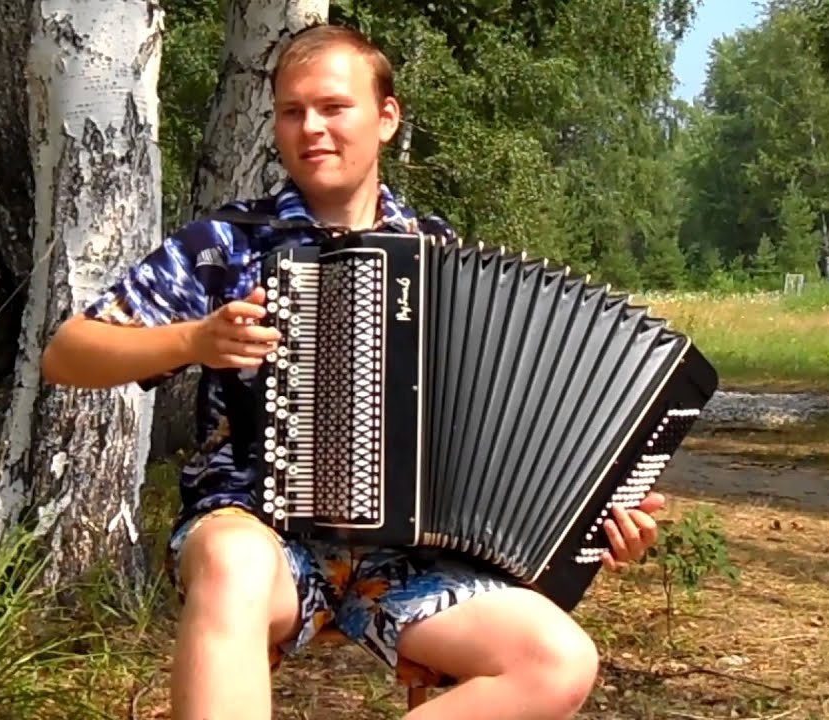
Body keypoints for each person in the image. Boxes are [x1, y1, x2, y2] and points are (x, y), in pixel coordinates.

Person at [40, 23, 666, 720]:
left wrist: (595, 515)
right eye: (291, 111)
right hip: (257, 531)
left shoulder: (438, 254)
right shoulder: (227, 242)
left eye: (334, 107)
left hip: (406, 561)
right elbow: (68, 353)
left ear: (386, 118)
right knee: (233, 567)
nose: (311, 127)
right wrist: (194, 338)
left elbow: (506, 420)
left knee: (558, 660)